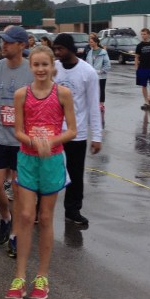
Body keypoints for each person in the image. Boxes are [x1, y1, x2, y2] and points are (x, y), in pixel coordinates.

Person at [6, 45, 76, 299]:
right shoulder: (21, 94)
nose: (41, 69)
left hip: (52, 161)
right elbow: (18, 131)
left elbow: (72, 130)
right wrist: (34, 142)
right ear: (30, 66)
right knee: (26, 215)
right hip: (27, 159)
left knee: (45, 217)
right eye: (36, 65)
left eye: (45, 64)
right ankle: (19, 277)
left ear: (52, 66)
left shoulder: (63, 93)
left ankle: (42, 276)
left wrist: (51, 142)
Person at [0, 26, 34, 255]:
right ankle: (6, 217)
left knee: (19, 190)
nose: (4, 45)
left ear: (22, 45)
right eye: (3, 41)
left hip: (23, 141)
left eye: (10, 42)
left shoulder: (32, 70)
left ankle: (15, 235)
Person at [53, 32, 102, 227]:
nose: (57, 53)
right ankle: (40, 208)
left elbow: (93, 105)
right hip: (53, 132)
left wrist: (96, 136)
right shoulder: (53, 68)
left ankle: (72, 210)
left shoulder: (88, 72)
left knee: (75, 174)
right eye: (55, 49)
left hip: (76, 133)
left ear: (70, 49)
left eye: (60, 49)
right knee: (48, 172)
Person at [86, 33, 111, 115]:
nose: (90, 43)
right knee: (92, 90)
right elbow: (87, 64)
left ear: (96, 42)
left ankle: (101, 104)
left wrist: (100, 71)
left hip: (101, 76)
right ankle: (93, 104)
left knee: (101, 90)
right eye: (89, 42)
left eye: (92, 42)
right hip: (92, 76)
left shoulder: (103, 52)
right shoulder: (90, 52)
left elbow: (107, 65)